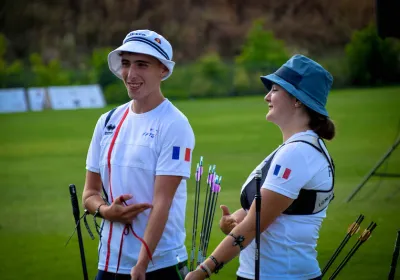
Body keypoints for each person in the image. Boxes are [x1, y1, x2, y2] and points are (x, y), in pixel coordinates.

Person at [185, 54, 335, 280]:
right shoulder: (299, 148)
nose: (267, 97)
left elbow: (255, 225)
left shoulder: (297, 153)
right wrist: (235, 219)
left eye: (274, 90)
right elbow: (269, 213)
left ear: (297, 100)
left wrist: (204, 269)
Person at [82, 29, 195, 280]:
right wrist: (105, 211)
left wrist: (141, 264)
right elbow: (89, 194)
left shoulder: (175, 124)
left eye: (142, 65)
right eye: (126, 64)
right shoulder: (107, 120)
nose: (131, 74)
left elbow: (163, 201)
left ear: (163, 70)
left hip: (158, 264)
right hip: (109, 262)